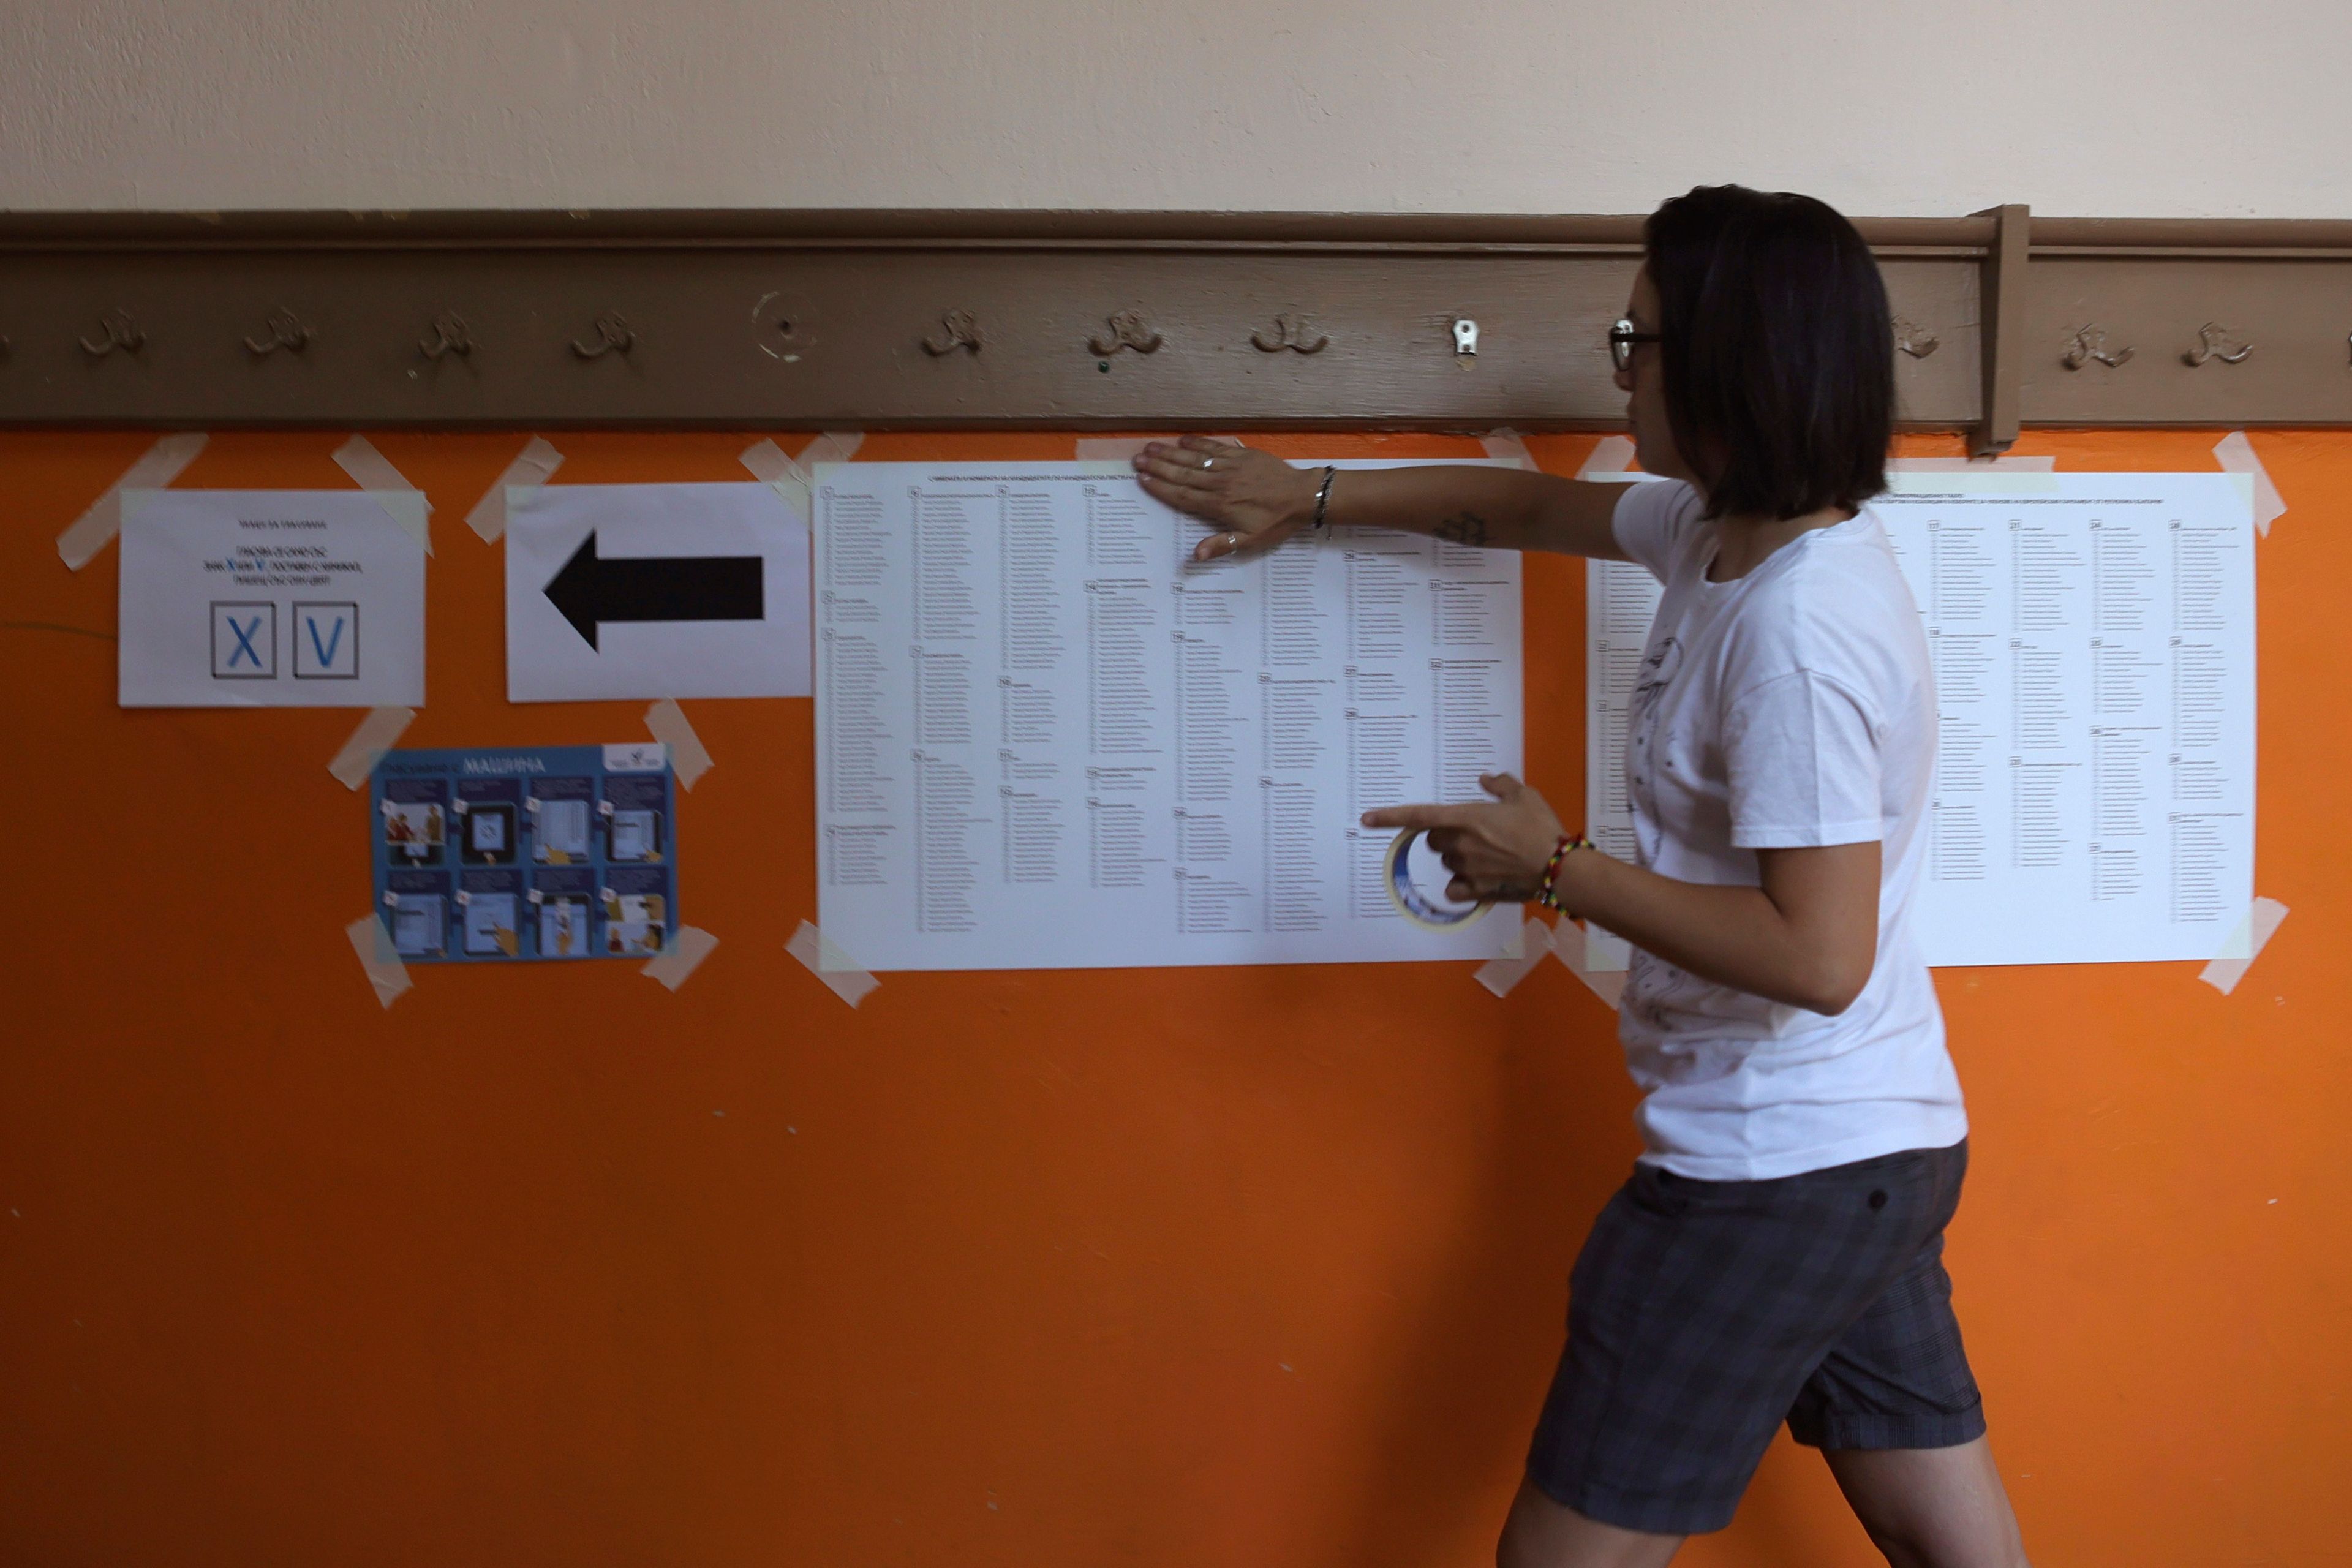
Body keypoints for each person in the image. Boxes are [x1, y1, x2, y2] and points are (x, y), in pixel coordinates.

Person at [1131, 186, 2031, 1568]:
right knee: (1948, 1536)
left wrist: (1552, 866)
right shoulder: (1726, 536)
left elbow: (1818, 955)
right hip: (1869, 1146)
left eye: (1642, 336)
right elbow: (1518, 506)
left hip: (1771, 1168)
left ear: (1735, 358)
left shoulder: (1796, 632)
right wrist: (1304, 497)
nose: (1620, 362)